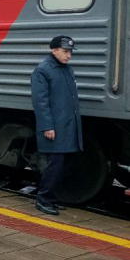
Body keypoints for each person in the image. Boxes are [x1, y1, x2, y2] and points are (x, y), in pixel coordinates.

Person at [30, 36, 82, 216]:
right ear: (54, 50)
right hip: (54, 128)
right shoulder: (43, 70)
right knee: (55, 165)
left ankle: (51, 198)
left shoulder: (67, 70)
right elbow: (40, 102)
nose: (69, 56)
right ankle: (42, 200)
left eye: (70, 53)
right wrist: (47, 127)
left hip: (67, 126)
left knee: (64, 165)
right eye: (65, 52)